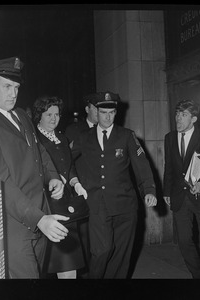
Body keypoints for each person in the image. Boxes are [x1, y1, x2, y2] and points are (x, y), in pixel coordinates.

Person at [0, 57, 68, 279]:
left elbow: (38, 149)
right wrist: (38, 219)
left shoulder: (21, 115)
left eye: (17, 87)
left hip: (39, 217)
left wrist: (52, 176)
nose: (13, 93)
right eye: (7, 86)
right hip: (13, 226)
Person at [71, 91, 157, 279]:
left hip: (125, 205)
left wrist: (149, 190)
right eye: (103, 112)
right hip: (97, 204)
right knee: (101, 251)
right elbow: (67, 161)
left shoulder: (127, 136)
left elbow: (142, 165)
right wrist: (73, 180)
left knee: (121, 255)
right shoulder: (84, 137)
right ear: (96, 112)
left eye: (111, 112)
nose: (107, 116)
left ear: (116, 113)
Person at [32, 96, 88, 279]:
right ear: (39, 116)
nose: (53, 118)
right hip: (46, 206)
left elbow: (69, 166)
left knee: (68, 259)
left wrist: (75, 183)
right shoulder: (33, 139)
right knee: (44, 262)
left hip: (65, 205)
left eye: (56, 114)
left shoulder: (62, 138)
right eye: (49, 114)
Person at [163, 99, 200, 279]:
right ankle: (198, 276)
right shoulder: (169, 138)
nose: (178, 118)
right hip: (179, 196)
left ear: (193, 119)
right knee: (184, 242)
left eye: (183, 115)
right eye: (177, 114)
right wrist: (166, 191)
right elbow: (168, 167)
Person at [64, 93, 99, 277]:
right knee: (85, 239)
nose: (100, 111)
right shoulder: (74, 130)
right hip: (82, 192)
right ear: (87, 109)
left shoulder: (107, 129)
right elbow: (67, 161)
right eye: (95, 107)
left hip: (102, 193)